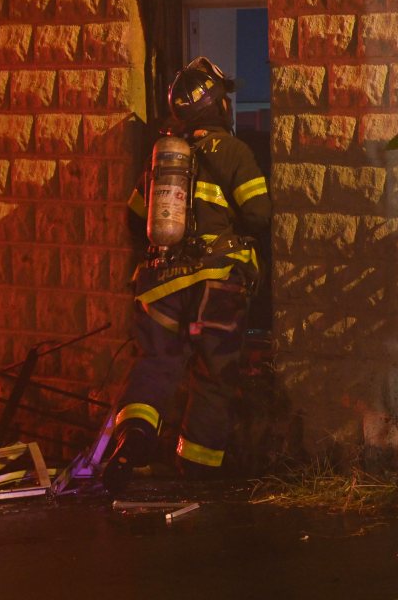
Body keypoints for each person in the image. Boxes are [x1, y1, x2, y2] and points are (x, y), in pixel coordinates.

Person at [104, 56, 271, 491]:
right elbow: (258, 214)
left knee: (156, 365)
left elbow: (135, 219)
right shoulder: (232, 151)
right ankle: (197, 468)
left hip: (162, 286)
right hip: (216, 288)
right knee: (214, 374)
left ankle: (132, 438)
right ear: (217, 105)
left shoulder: (162, 159)